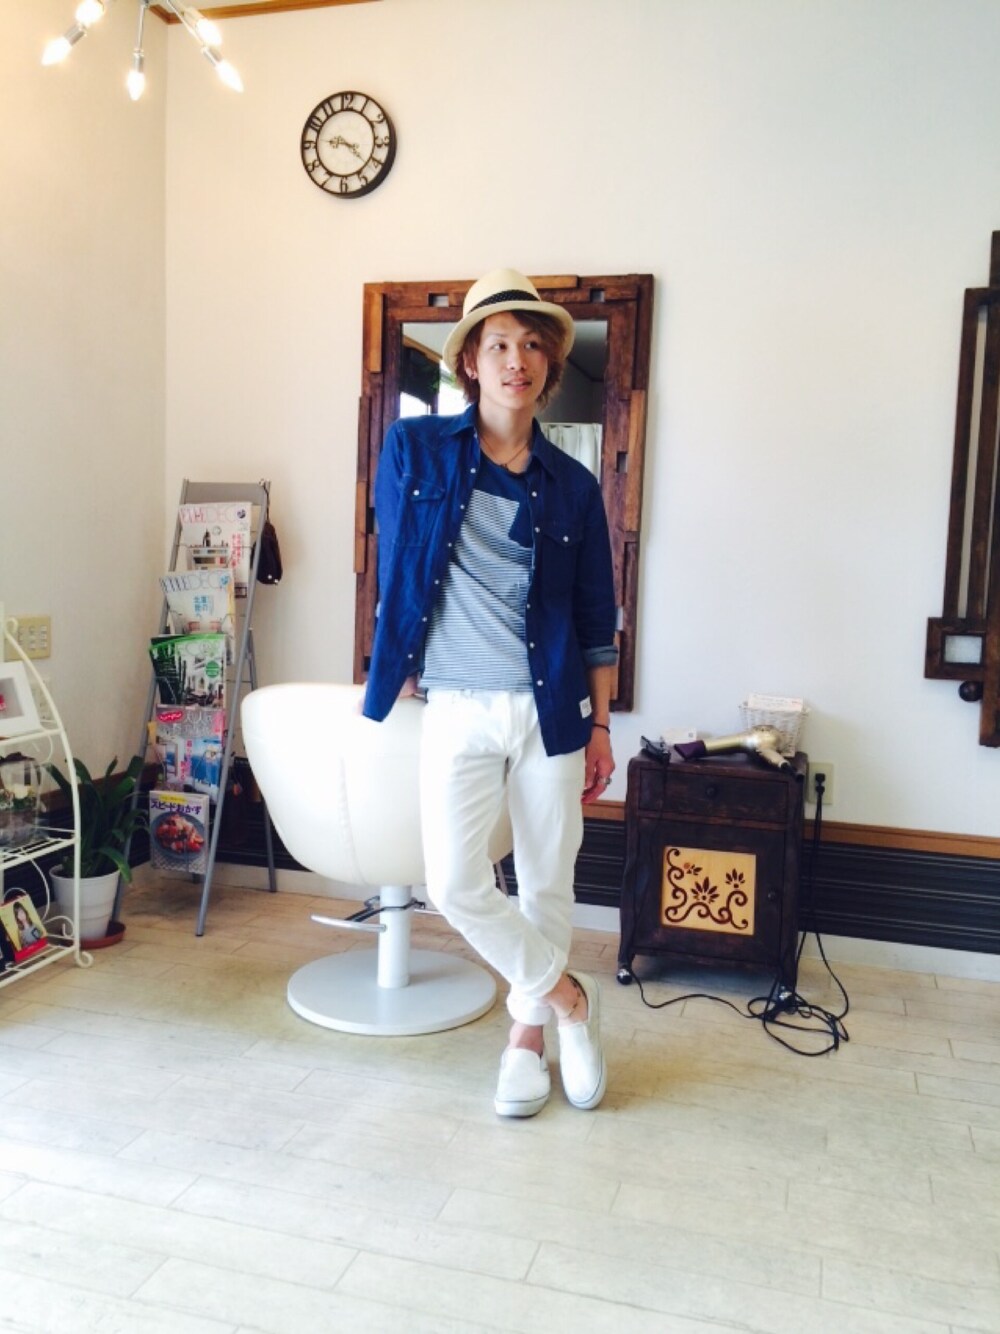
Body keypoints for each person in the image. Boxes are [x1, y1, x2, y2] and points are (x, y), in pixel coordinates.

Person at [363, 267, 617, 1117]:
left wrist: (603, 723)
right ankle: (570, 1001)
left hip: (553, 707)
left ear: (548, 365)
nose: (518, 359)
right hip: (459, 703)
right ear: (470, 360)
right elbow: (397, 560)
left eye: (533, 345)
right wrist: (394, 654)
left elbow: (596, 616)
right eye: (499, 343)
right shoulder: (417, 449)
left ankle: (525, 1042)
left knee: (547, 880)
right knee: (454, 883)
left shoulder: (574, 485)